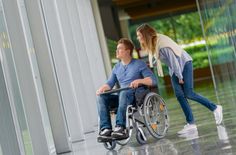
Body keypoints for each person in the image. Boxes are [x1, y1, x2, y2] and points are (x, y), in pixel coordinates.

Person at [136, 23, 223, 135]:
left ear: (146, 35)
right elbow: (157, 60)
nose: (138, 38)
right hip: (175, 68)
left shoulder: (162, 44)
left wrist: (180, 76)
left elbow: (174, 60)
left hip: (184, 64)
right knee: (179, 95)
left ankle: (215, 108)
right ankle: (191, 124)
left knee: (189, 93)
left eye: (139, 35)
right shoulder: (154, 44)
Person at [96, 38, 157, 141]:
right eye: (117, 49)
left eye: (119, 49)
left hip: (135, 97)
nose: (116, 51)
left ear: (127, 51)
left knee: (124, 92)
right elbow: (109, 84)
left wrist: (139, 81)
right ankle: (106, 129)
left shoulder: (139, 64)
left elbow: (152, 80)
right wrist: (102, 88)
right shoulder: (116, 67)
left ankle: (120, 127)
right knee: (101, 97)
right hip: (121, 98)